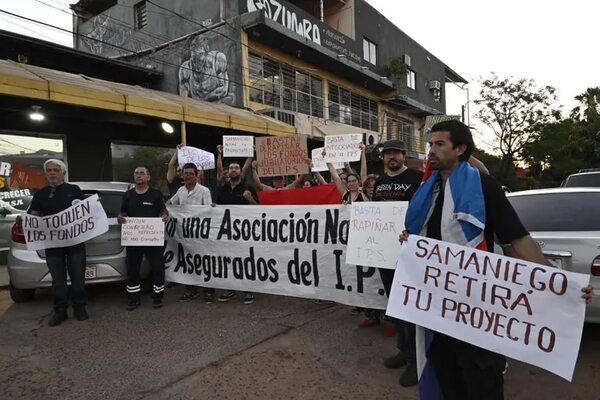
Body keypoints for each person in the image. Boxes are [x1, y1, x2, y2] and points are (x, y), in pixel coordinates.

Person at [401, 120, 592, 399]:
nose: (431, 150)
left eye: (440, 144)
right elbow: (417, 236)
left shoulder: (483, 186)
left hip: (478, 307)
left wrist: (561, 282)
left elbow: (518, 238)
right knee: (446, 376)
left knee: (481, 382)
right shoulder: (426, 191)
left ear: (460, 148)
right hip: (438, 306)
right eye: (431, 144)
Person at [372, 139, 424, 387]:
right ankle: (403, 349)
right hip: (385, 253)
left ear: (404, 156)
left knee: (411, 307)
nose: (391, 157)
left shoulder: (417, 178)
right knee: (395, 304)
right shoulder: (380, 182)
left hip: (409, 252)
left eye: (396, 153)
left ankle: (417, 361)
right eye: (387, 154)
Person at [29, 159, 88, 327]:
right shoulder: (40, 194)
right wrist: (27, 221)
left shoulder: (74, 190)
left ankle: (80, 308)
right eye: (49, 170)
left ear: (63, 173)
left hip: (75, 244)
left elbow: (85, 212)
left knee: (78, 278)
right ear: (46, 174)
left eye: (56, 169)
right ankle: (60, 311)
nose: (52, 172)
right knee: (58, 281)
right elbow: (34, 215)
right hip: (53, 246)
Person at [118, 166, 169, 310]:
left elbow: (163, 211)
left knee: (157, 267)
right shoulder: (128, 195)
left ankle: (158, 296)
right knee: (133, 269)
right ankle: (133, 298)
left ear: (148, 177)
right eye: (136, 173)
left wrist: (164, 216)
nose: (138, 175)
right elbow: (122, 213)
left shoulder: (156, 194)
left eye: (142, 173)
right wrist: (120, 218)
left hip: (152, 239)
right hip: (134, 240)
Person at [167, 163, 214, 303]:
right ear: (182, 175)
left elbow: (208, 210)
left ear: (196, 175)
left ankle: (208, 291)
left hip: (200, 233)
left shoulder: (204, 191)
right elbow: (170, 203)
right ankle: (190, 290)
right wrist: (161, 208)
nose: (188, 176)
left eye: (191, 173)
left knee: (204, 262)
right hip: (184, 234)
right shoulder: (181, 191)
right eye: (185, 173)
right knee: (188, 262)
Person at [215, 161, 259, 304]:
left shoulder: (248, 188)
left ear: (241, 171)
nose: (233, 170)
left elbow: (259, 209)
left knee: (245, 260)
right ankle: (230, 288)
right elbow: (215, 209)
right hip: (227, 232)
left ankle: (248, 290)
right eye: (231, 168)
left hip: (244, 232)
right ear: (228, 172)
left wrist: (250, 199)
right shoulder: (222, 189)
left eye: (236, 168)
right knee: (229, 260)